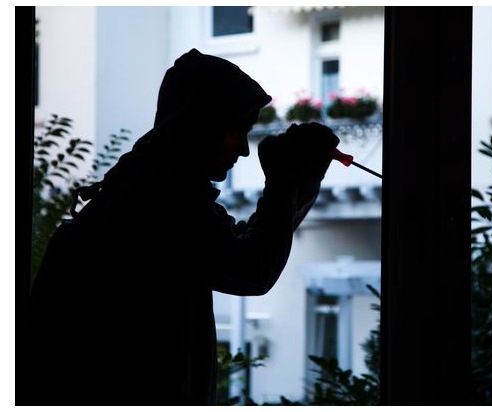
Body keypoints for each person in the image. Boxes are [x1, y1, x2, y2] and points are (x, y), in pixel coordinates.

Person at [28, 48, 340, 406]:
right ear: (201, 126)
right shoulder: (156, 200)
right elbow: (251, 267)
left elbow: (241, 246)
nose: (243, 150)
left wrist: (298, 182)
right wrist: (285, 181)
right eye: (236, 131)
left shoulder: (152, 187)